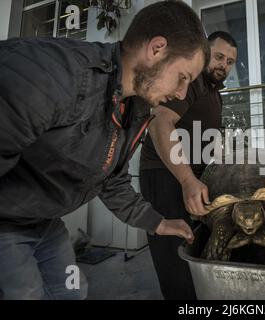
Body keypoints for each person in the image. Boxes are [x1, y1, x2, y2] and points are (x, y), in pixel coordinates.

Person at [0, 1, 210, 300]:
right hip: (6, 220)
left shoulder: (136, 109)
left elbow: (109, 180)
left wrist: (157, 223)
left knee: (71, 291)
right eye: (183, 77)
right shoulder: (56, 72)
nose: (181, 93)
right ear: (157, 48)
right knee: (26, 292)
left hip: (44, 222)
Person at [139, 31, 238, 300]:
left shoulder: (214, 93)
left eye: (229, 62)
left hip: (189, 178)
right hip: (165, 175)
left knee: (193, 251)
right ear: (204, 52)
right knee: (175, 260)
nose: (223, 65)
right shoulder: (190, 82)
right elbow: (160, 123)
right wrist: (186, 180)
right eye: (219, 57)